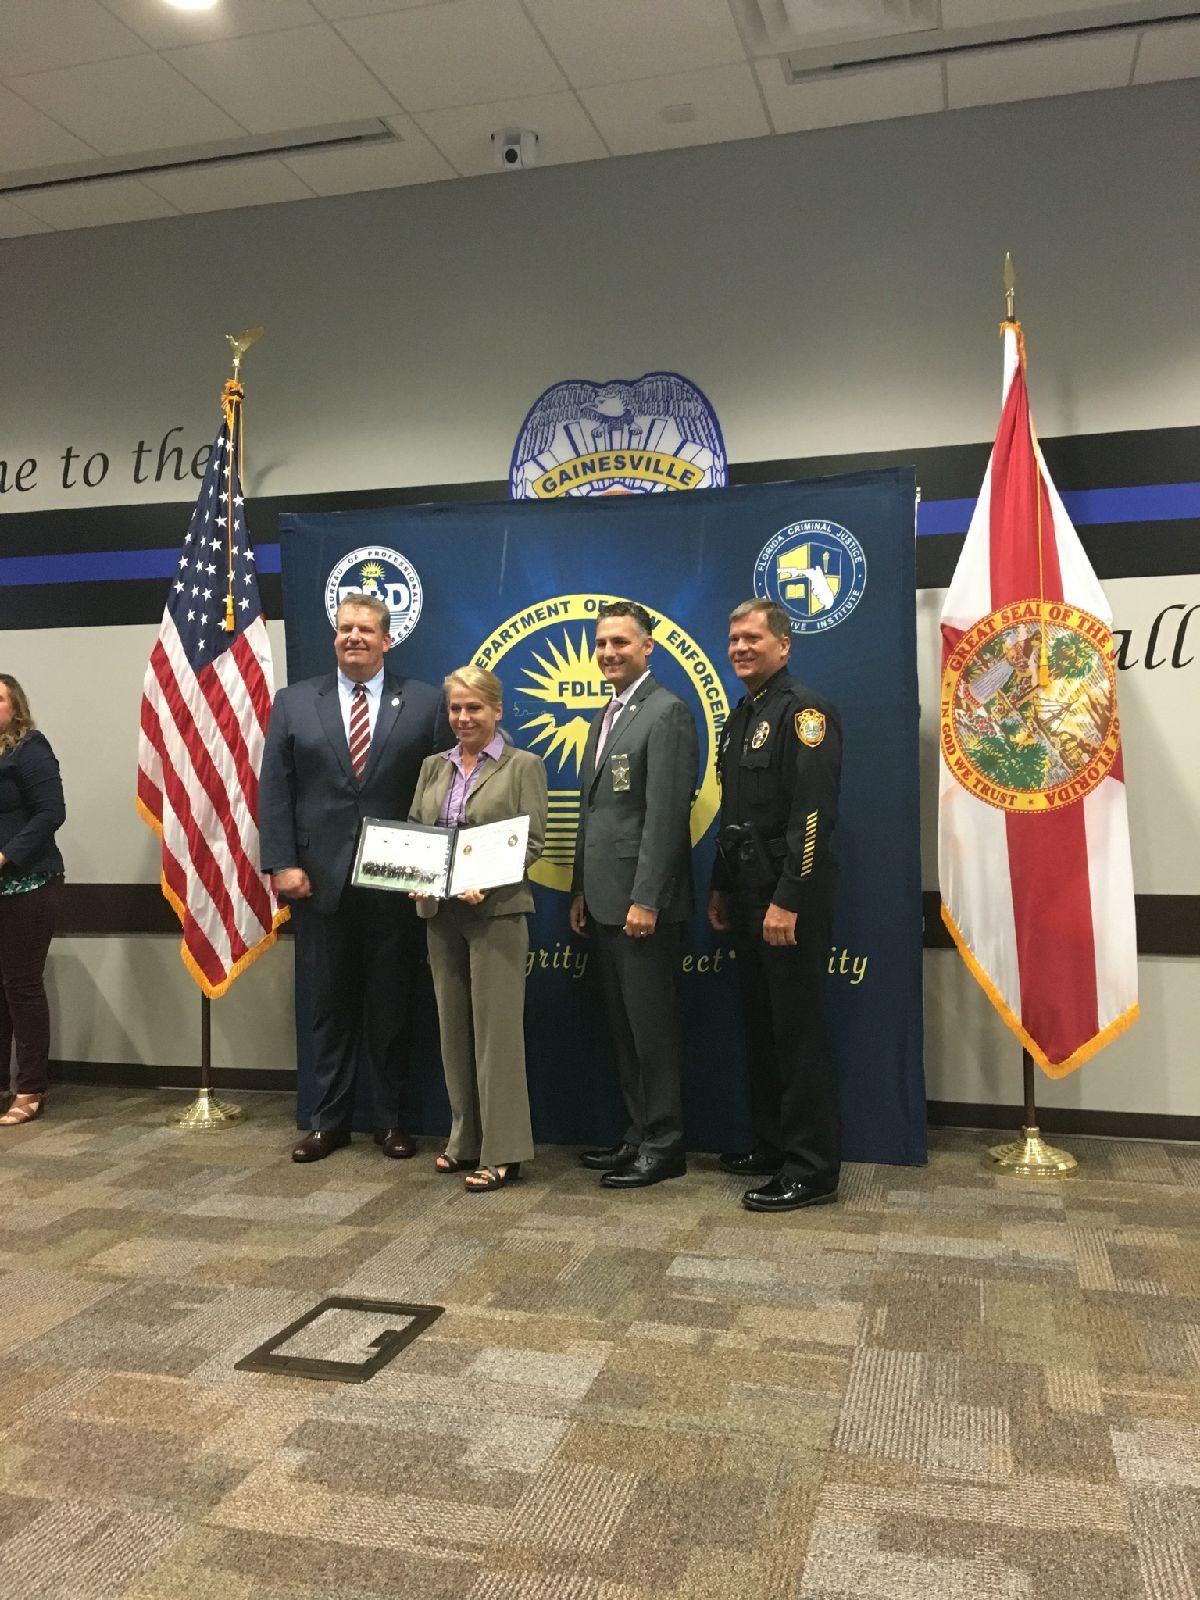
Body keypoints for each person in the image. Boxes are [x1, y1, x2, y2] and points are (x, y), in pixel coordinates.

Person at [259, 594, 446, 1163]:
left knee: (393, 1005)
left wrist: (435, 867)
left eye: (366, 629)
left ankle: (390, 1121)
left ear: (388, 640)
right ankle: (328, 1120)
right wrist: (281, 862)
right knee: (328, 1005)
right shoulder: (294, 703)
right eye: (345, 629)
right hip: (318, 882)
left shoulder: (425, 702)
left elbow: (442, 790)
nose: (354, 637)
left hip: (396, 880)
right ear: (334, 637)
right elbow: (275, 789)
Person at [708, 599, 843, 1213]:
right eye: (734, 638)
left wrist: (789, 899)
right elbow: (731, 816)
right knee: (760, 1031)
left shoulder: (803, 713)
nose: (739, 648)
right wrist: (718, 885)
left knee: (796, 1035)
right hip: (744, 892)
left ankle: (811, 1168)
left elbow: (811, 817)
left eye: (752, 638)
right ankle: (771, 1146)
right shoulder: (742, 716)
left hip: (788, 896)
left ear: (783, 646)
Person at [570, 600, 698, 1189]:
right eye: (601, 644)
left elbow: (667, 816)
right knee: (623, 1028)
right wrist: (578, 889)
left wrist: (646, 899)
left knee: (652, 1030)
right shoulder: (607, 714)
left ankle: (666, 1142)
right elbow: (598, 814)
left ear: (648, 647)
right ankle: (637, 1133)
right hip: (602, 900)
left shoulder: (666, 711)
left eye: (621, 643)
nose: (608, 653)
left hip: (641, 906)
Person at [409, 667, 547, 1192]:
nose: (463, 718)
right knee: (453, 1034)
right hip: (439, 916)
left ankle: (504, 1151)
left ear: (497, 711)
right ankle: (464, 1138)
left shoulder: (523, 766)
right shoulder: (432, 767)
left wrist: (484, 880)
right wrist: (416, 878)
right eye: (455, 709)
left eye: (474, 708)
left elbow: (531, 841)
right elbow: (418, 833)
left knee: (497, 1038)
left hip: (497, 914)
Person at [0, 675, 66, 1128]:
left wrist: (6, 855)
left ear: (14, 706)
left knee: (21, 987)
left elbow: (51, 811)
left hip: (29, 885)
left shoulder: (30, 749)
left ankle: (30, 1089)